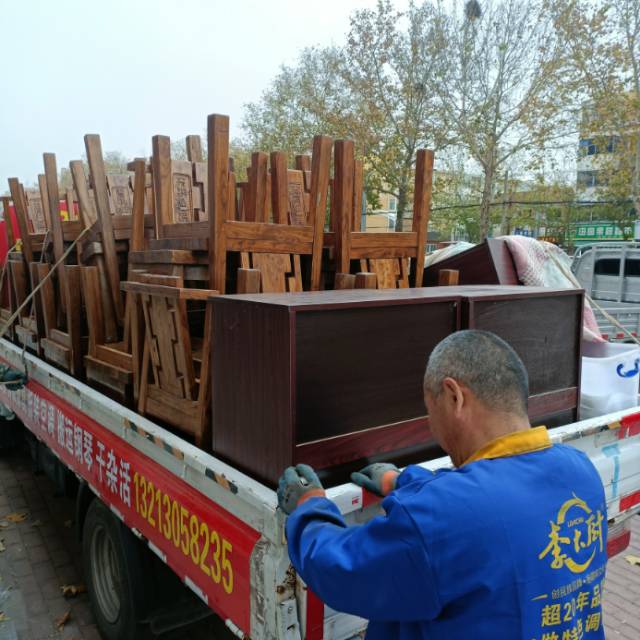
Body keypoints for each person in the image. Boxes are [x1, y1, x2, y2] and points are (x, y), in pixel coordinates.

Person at [278, 330, 607, 639]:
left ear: (454, 397)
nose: (431, 425)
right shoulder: (580, 470)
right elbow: (495, 500)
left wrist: (310, 509)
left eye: (429, 410)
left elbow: (343, 571)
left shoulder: (443, 516)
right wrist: (406, 481)